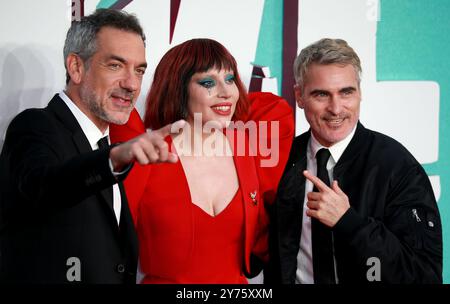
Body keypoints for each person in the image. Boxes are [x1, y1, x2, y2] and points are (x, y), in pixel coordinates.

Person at [0, 9, 182, 284]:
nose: (132, 84)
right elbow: (45, 185)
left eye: (139, 70)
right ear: (76, 67)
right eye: (115, 65)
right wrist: (111, 160)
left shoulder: (106, 145)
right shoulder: (35, 126)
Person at [110, 38, 294, 283]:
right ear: (177, 89)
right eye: (208, 82)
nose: (226, 92)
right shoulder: (148, 155)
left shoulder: (249, 149)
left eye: (230, 80)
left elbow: (274, 109)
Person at [266, 38, 442, 283]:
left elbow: (423, 276)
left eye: (346, 92)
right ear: (299, 96)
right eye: (321, 95)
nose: (336, 108)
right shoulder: (281, 160)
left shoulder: (398, 166)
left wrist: (349, 222)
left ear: (359, 92)